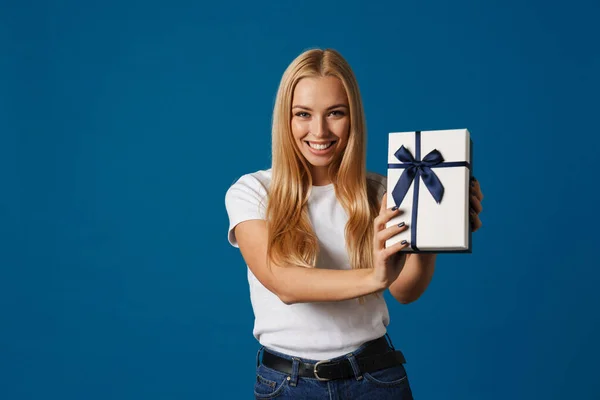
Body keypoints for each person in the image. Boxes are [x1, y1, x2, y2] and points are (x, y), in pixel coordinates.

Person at [224, 48, 484, 400]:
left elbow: (405, 291)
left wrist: (434, 232)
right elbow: (282, 281)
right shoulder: (253, 191)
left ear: (353, 118)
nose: (319, 130)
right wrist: (373, 276)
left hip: (375, 379)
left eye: (335, 113)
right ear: (285, 119)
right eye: (303, 114)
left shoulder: (381, 190)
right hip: (289, 385)